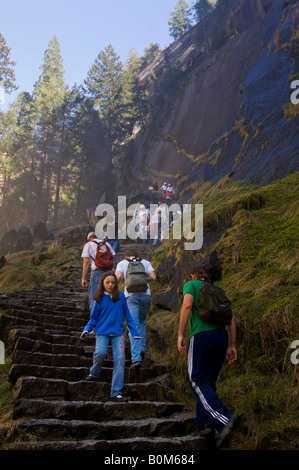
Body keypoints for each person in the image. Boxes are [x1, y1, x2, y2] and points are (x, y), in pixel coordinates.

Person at [177, 265, 240, 448]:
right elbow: (232, 318)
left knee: (196, 379)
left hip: (201, 336)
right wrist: (232, 345)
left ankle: (225, 419)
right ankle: (206, 426)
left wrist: (181, 334)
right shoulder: (218, 290)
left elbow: (188, 305)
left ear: (193, 275)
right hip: (221, 338)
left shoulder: (192, 285)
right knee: (208, 382)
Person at [81, 272, 141, 402]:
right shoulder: (99, 298)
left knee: (120, 360)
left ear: (116, 284)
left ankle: (116, 392)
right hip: (102, 332)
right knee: (100, 352)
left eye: (113, 283)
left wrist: (135, 333)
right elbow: (93, 318)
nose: (110, 285)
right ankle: (94, 373)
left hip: (118, 333)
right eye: (107, 282)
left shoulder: (121, 297)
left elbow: (128, 317)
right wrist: (87, 329)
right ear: (102, 283)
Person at [115, 248, 156, 368]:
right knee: (142, 321)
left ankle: (136, 358)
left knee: (134, 325)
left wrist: (127, 279)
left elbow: (116, 278)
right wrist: (142, 279)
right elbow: (153, 277)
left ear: (126, 256)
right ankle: (142, 348)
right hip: (146, 295)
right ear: (136, 255)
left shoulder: (122, 263)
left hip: (131, 296)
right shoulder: (145, 262)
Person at [81, 232, 115, 312]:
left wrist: (83, 278)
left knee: (95, 299)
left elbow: (86, 262)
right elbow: (113, 259)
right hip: (110, 273)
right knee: (109, 298)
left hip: (98, 273)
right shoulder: (106, 244)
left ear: (89, 238)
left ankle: (95, 322)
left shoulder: (89, 244)